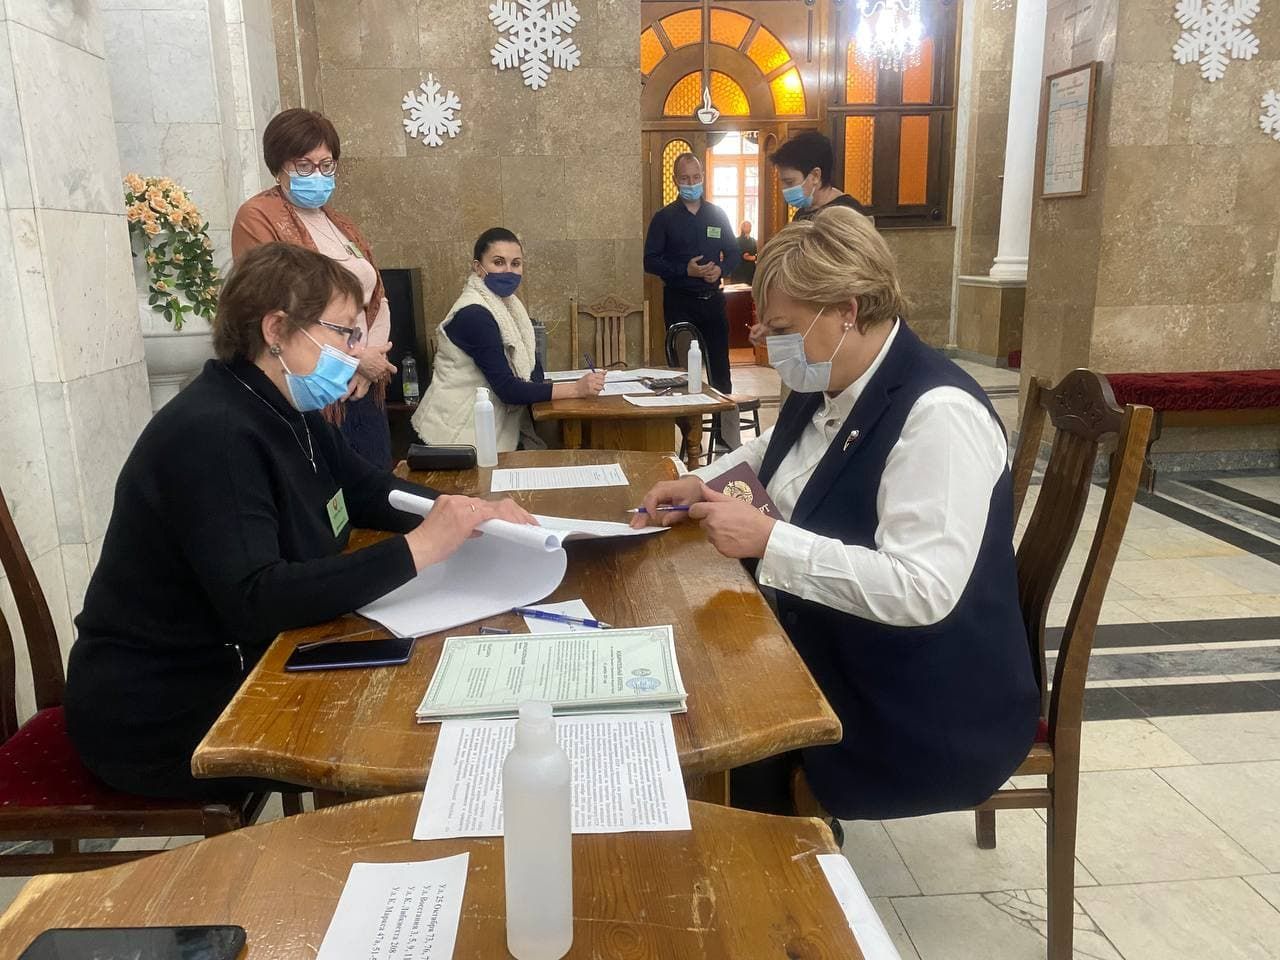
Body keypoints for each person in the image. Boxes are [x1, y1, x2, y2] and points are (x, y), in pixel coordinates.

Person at [64, 243, 535, 801]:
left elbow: (367, 490)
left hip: (252, 660)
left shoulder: (284, 406)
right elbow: (257, 597)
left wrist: (469, 514)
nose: (354, 352)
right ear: (276, 329)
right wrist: (419, 549)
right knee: (395, 730)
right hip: (167, 707)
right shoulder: (213, 433)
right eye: (344, 334)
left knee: (424, 683)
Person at [630, 207, 1038, 821]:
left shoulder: (938, 415)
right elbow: (778, 450)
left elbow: (921, 589)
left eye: (783, 327)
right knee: (693, 661)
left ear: (846, 310)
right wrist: (700, 481)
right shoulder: (835, 377)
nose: (767, 342)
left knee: (718, 706)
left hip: (919, 702)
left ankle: (782, 851)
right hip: (841, 642)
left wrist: (770, 541)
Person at [232, 108, 397, 469]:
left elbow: (376, 298)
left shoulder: (340, 223)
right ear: (278, 166)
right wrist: (355, 358)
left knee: (375, 485)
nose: (317, 175)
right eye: (304, 166)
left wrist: (369, 361)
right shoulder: (258, 215)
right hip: (314, 387)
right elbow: (274, 304)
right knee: (328, 491)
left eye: (326, 165)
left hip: (364, 382)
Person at [414, 228, 604, 450]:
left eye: (515, 264)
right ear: (477, 267)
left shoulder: (509, 307)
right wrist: (576, 390)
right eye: (498, 262)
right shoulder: (474, 314)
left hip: (487, 430)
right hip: (454, 438)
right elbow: (508, 389)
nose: (508, 271)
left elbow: (533, 372)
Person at [643, 152, 742, 448]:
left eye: (696, 177)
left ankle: (726, 438)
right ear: (676, 181)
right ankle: (688, 440)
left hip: (712, 301)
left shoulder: (717, 214)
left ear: (703, 178)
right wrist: (684, 270)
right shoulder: (664, 218)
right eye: (685, 179)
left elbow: (733, 253)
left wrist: (720, 270)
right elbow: (650, 260)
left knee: (721, 369)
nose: (691, 183)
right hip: (680, 301)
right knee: (684, 373)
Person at [769, 131, 869, 221]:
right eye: (782, 182)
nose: (784, 189)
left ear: (815, 176)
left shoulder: (848, 214)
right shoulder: (801, 214)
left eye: (789, 182)